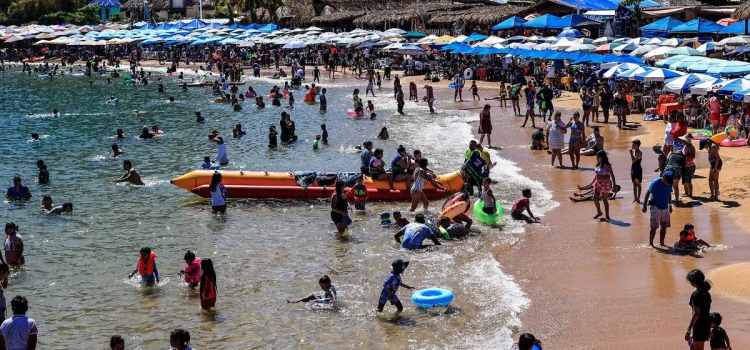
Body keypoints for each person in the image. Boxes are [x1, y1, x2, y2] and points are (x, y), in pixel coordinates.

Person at [642, 171, 674, 247]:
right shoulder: (656, 182)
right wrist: (644, 206)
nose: (668, 183)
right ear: (663, 178)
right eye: (667, 181)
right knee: (654, 227)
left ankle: (662, 243)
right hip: (655, 207)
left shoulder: (670, 183)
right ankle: (651, 244)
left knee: (664, 226)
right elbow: (648, 193)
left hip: (665, 207)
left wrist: (670, 204)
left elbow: (669, 193)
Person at [583, 150, 616, 222]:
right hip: (598, 183)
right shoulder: (598, 165)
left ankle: (607, 216)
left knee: (605, 200)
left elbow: (612, 175)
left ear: (602, 157)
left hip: (605, 184)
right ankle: (599, 212)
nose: (597, 158)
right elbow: (597, 175)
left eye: (598, 156)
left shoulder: (607, 165)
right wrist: (592, 183)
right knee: (595, 198)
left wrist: (614, 185)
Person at [686, 269, 712, 350]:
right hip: (706, 323)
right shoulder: (707, 293)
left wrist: (688, 330)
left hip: (699, 325)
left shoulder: (696, 294)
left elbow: (696, 313)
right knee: (692, 347)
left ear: (693, 282)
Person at [681, 134, 696, 198]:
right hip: (684, 166)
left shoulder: (691, 148)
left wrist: (685, 157)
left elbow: (693, 156)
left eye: (684, 141)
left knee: (688, 181)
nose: (682, 142)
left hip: (690, 166)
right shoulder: (685, 147)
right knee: (684, 180)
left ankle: (690, 194)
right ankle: (686, 193)